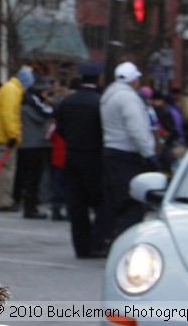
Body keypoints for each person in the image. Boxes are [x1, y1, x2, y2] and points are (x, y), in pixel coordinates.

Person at [54, 59, 109, 258]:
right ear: (99, 78)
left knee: (77, 204)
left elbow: (59, 128)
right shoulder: (100, 102)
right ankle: (97, 242)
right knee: (101, 202)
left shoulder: (68, 101)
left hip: (72, 155)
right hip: (95, 156)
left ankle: (81, 247)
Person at [100, 61, 156, 241]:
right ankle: (124, 240)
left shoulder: (108, 95)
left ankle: (107, 237)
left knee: (112, 201)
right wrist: (148, 153)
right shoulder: (128, 98)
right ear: (134, 80)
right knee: (133, 202)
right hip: (127, 154)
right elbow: (136, 129)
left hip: (111, 151)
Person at [0, 65, 34, 211]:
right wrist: (13, 135)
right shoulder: (12, 90)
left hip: (3, 135)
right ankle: (4, 201)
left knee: (5, 170)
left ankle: (3, 200)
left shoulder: (10, 88)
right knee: (7, 171)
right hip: (6, 137)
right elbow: (9, 115)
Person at [18, 73, 54, 219]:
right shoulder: (32, 102)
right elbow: (45, 115)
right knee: (33, 177)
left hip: (29, 142)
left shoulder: (27, 100)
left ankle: (30, 204)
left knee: (30, 176)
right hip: (34, 143)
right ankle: (30, 207)